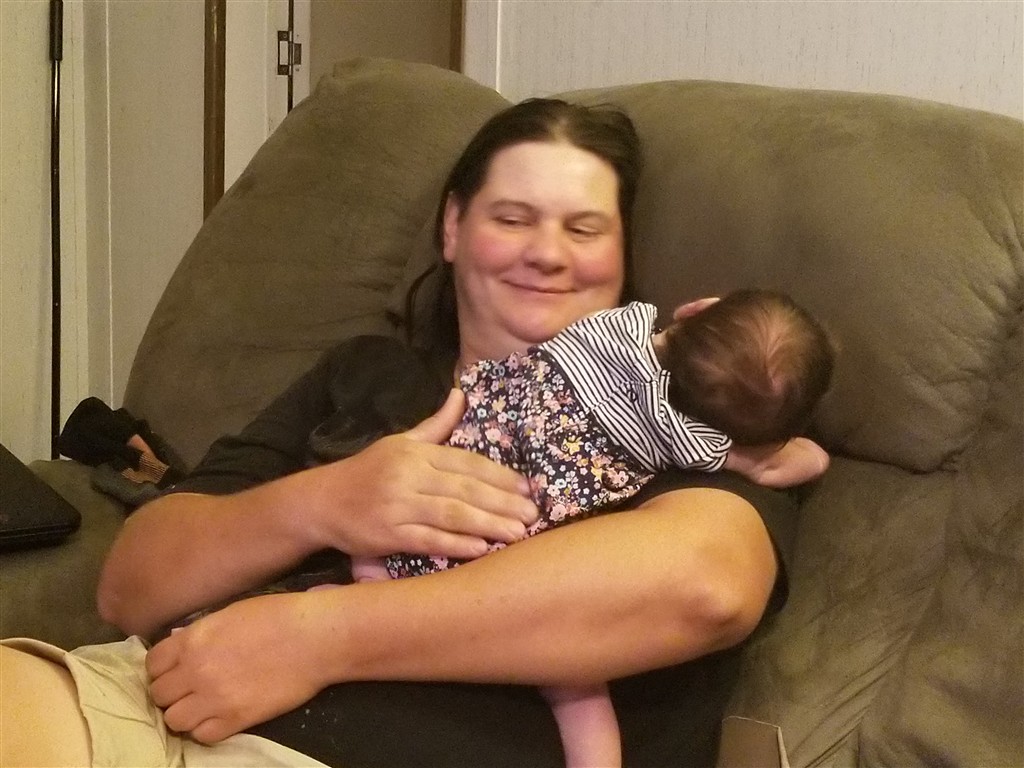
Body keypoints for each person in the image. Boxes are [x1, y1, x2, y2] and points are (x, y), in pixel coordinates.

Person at [1, 98, 805, 767]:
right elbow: (131, 587)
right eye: (513, 217)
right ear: (452, 228)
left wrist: (320, 639)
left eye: (584, 229)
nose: (547, 253)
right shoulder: (365, 374)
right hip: (152, 698)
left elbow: (704, 585)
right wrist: (326, 503)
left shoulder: (688, 416)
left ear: (626, 259)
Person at [351, 290, 834, 767]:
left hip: (446, 474)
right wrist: (772, 448)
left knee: (386, 522)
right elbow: (799, 462)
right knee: (576, 677)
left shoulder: (615, 323)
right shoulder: (689, 440)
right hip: (497, 549)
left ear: (695, 308)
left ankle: (371, 572)